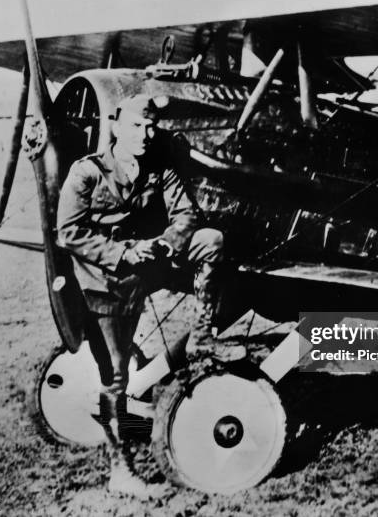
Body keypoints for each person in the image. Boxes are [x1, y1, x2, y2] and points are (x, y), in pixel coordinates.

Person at [56, 94, 229, 500]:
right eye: (136, 126)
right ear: (117, 126)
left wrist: (167, 244)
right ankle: (122, 470)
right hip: (106, 281)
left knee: (211, 241)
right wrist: (122, 253)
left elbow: (186, 215)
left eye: (152, 127)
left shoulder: (160, 168)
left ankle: (203, 333)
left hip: (149, 264)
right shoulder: (87, 173)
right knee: (114, 376)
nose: (146, 135)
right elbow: (70, 232)